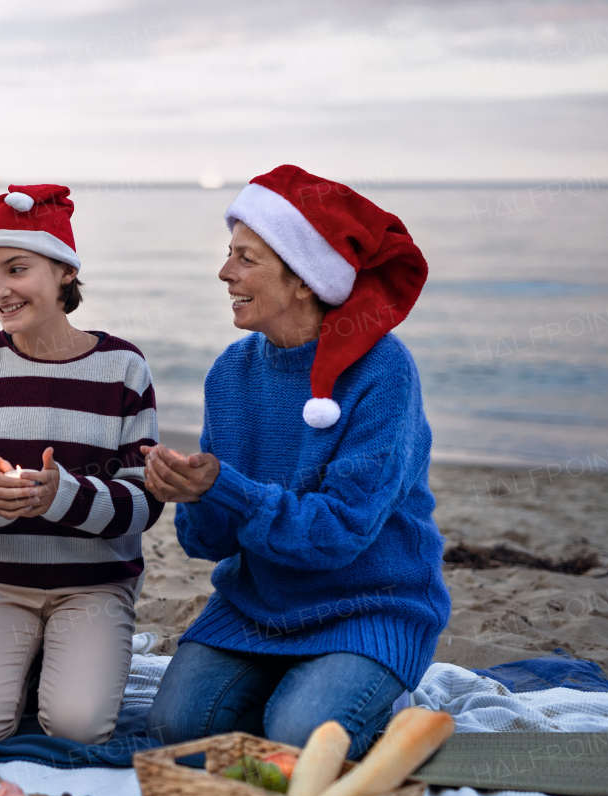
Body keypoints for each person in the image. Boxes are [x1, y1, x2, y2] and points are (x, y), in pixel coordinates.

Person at [143, 166, 452, 759]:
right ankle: (309, 688)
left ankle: (372, 691)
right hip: (257, 607)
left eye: (246, 258)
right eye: (229, 254)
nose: (224, 272)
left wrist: (224, 487)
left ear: (305, 279)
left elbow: (340, 534)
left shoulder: (383, 371)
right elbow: (207, 545)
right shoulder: (231, 373)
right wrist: (191, 495)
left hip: (369, 605)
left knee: (295, 738)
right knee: (173, 732)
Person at [0, 184, 164, 744]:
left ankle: (58, 657)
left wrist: (63, 494)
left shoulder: (122, 368)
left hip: (95, 588)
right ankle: (29, 657)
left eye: (16, 269)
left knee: (77, 726)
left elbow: (145, 503)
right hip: (1, 584)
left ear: (63, 272)